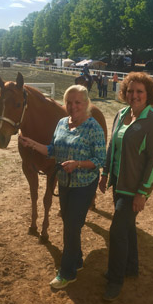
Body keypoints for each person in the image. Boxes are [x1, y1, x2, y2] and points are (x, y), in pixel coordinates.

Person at [19, 85, 106, 289]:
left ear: (86, 104)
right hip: (66, 184)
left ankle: (67, 272)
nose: (73, 106)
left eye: (78, 102)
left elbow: (100, 159)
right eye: (69, 102)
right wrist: (32, 143)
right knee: (71, 223)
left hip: (84, 184)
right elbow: (52, 150)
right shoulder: (61, 123)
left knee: (70, 227)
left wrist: (78, 164)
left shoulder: (94, 127)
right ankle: (77, 260)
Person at [99, 72, 153, 301]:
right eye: (130, 90)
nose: (134, 95)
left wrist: (143, 192)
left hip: (134, 188)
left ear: (148, 95)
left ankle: (115, 280)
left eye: (139, 91)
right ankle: (131, 267)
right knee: (127, 227)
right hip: (118, 182)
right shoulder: (121, 114)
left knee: (117, 231)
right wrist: (105, 173)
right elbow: (112, 147)